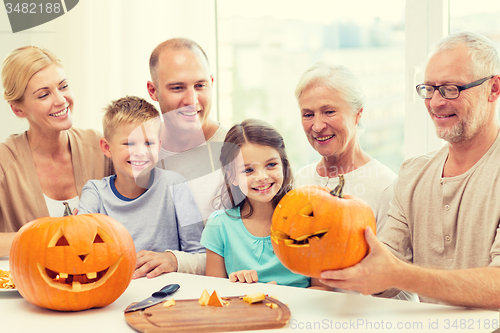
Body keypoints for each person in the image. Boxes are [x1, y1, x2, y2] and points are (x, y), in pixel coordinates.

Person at [320, 31, 500, 309]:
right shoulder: (413, 174)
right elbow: (387, 276)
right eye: (429, 89)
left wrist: (399, 274)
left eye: (451, 89)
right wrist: (341, 253)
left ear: (493, 88)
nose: (436, 102)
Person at [0, 46, 113, 256]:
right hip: (28, 285)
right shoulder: (4, 161)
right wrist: (50, 235)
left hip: (97, 278)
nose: (61, 100)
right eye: (44, 95)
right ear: (18, 109)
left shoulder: (100, 147)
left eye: (63, 86)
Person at [77, 96, 205, 271]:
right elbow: (77, 245)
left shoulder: (175, 185)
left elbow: (203, 257)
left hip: (167, 292)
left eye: (148, 143)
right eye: (129, 143)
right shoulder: (95, 192)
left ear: (158, 146)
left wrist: (173, 259)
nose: (140, 152)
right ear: (107, 148)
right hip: (115, 293)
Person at [135, 38, 228, 277]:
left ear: (212, 83)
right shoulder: (137, 154)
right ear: (152, 90)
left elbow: (251, 250)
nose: (191, 101)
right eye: (177, 88)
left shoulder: (240, 149)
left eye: (200, 85)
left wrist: (177, 261)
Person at [201, 119, 317, 287]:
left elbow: (322, 289)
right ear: (232, 175)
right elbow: (215, 295)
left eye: (271, 165)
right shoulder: (219, 226)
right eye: (248, 170)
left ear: (283, 166)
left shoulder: (308, 220)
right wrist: (237, 288)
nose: (262, 177)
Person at [294, 61, 396, 234]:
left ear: (358, 114)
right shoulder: (297, 182)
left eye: (329, 112)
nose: (317, 126)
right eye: (308, 114)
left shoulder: (387, 188)